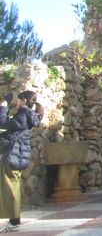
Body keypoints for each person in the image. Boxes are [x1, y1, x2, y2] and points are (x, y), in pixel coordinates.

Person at [0, 91, 43, 233]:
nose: (16, 102)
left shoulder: (23, 114)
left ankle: (14, 222)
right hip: (17, 156)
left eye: (18, 99)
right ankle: (13, 220)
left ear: (24, 100)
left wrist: (3, 105)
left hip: (13, 155)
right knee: (12, 188)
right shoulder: (29, 115)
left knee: (10, 189)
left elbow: (2, 122)